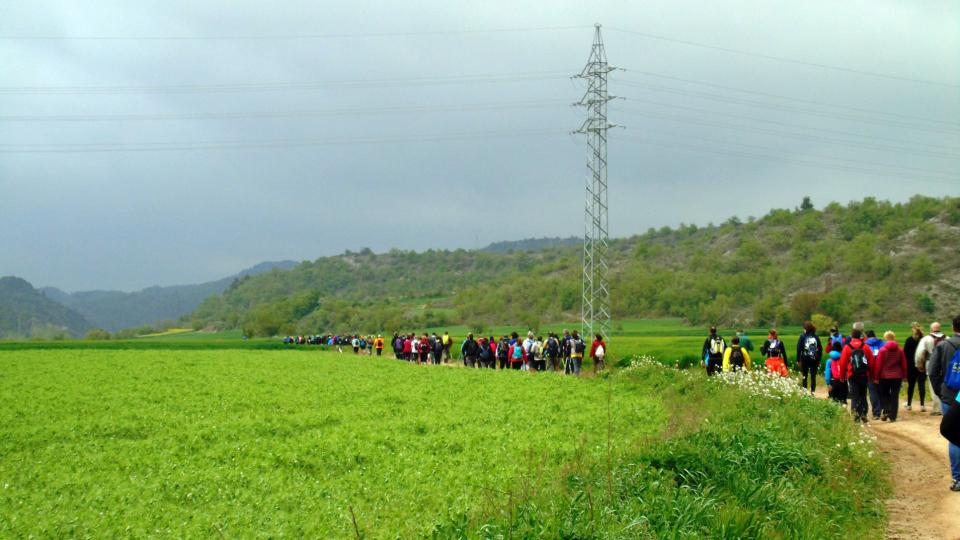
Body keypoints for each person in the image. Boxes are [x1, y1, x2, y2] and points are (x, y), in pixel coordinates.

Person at [927, 315, 960, 491]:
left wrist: (940, 392)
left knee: (954, 437)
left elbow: (932, 371)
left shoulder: (944, 345)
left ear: (953, 327)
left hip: (949, 396)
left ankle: (957, 479)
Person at [840, 328, 875, 423]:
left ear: (851, 336)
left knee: (855, 396)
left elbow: (843, 363)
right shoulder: (866, 346)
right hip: (864, 375)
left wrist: (842, 376)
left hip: (852, 375)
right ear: (860, 336)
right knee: (863, 394)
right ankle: (864, 414)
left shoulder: (847, 347)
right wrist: (872, 375)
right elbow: (871, 362)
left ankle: (855, 416)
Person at [874, 331, 907, 422]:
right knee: (895, 396)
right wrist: (904, 376)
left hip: (884, 377)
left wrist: (876, 377)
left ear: (886, 338)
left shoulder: (882, 350)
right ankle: (893, 416)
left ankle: (886, 410)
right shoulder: (900, 350)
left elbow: (878, 365)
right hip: (897, 376)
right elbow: (903, 364)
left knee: (884, 394)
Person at [917, 322, 946, 416]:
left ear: (931, 329)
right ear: (939, 328)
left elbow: (919, 354)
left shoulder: (926, 339)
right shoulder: (947, 338)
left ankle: (937, 409)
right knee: (945, 384)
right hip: (945, 364)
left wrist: (919, 365)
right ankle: (945, 406)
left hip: (930, 363)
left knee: (933, 385)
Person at [904, 323, 926, 411]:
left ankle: (909, 404)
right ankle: (922, 405)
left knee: (911, 386)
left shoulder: (909, 340)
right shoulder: (923, 340)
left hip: (911, 366)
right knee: (921, 385)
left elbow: (905, 353)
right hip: (922, 365)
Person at [796, 321, 823, 393]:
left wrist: (798, 360)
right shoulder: (816, 337)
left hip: (805, 359)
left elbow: (799, 349)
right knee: (813, 377)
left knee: (805, 376)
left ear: (805, 329)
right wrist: (819, 359)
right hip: (814, 359)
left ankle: (804, 392)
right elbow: (820, 349)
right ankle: (813, 392)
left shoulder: (802, 336)